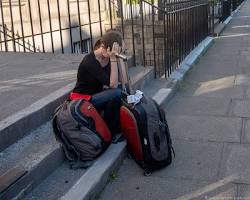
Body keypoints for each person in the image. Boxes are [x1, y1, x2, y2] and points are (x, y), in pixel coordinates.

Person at [71, 30, 124, 141]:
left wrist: (119, 58)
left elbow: (123, 80)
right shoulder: (89, 61)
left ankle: (118, 126)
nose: (112, 55)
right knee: (116, 93)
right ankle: (112, 132)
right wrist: (114, 58)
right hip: (83, 99)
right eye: (112, 51)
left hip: (96, 95)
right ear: (103, 46)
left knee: (124, 90)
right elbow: (113, 85)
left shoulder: (107, 58)